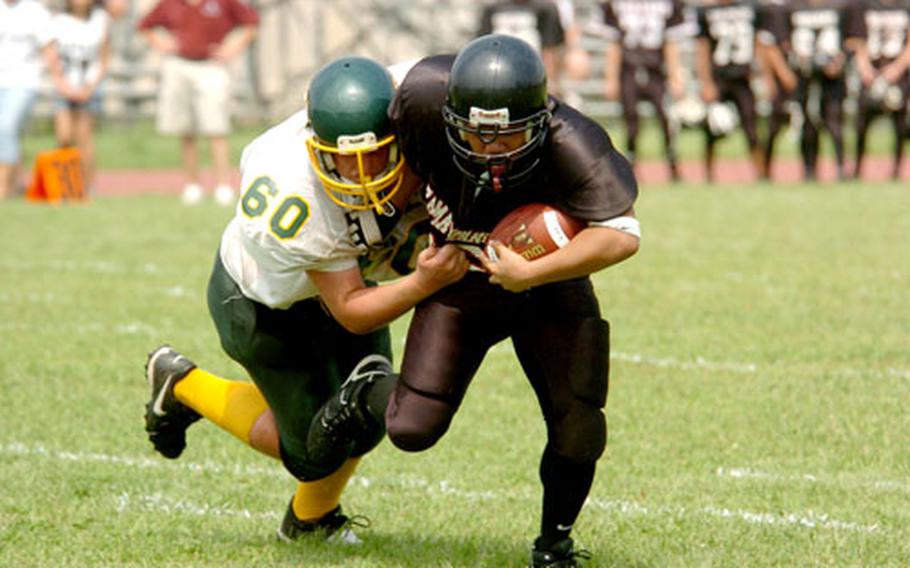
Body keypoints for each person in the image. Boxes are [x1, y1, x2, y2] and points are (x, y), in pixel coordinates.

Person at [314, 34, 640, 566]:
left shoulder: (574, 140)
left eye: (506, 136)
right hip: (457, 279)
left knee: (579, 422)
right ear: (449, 112)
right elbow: (383, 141)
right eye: (475, 132)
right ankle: (367, 391)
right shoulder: (421, 99)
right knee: (411, 428)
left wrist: (537, 267)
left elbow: (622, 233)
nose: (489, 148)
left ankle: (554, 545)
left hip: (545, 284)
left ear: (540, 119)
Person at [142, 56, 468, 542]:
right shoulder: (294, 188)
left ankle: (310, 521)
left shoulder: (415, 105)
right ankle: (182, 383)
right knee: (312, 452)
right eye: (343, 158)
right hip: (263, 306)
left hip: (343, 284)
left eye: (376, 154)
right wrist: (425, 283)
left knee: (371, 412)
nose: (359, 173)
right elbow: (351, 309)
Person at [137, 0, 259, 205]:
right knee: (186, 130)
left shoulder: (223, 2)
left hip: (211, 65)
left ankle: (223, 185)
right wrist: (161, 44)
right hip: (179, 64)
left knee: (217, 128)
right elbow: (145, 26)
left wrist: (232, 49)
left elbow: (251, 23)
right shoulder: (171, 3)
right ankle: (192, 184)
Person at [597, 0, 696, 183]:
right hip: (628, 70)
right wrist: (610, 78)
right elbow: (614, 44)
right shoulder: (615, 5)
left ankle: (673, 163)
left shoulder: (669, 4)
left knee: (666, 119)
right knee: (631, 120)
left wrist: (676, 76)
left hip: (657, 71)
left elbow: (670, 42)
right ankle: (631, 167)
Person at [769, 0, 851, 181]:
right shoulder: (791, 8)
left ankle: (841, 168)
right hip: (802, 77)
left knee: (834, 122)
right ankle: (808, 170)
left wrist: (839, 62)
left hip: (832, 80)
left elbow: (852, 40)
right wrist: (791, 66)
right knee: (806, 125)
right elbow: (781, 43)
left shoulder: (841, 6)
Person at [694, 0, 764, 182]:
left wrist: (760, 74)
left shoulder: (750, 8)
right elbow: (702, 47)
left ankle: (761, 173)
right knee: (712, 128)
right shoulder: (707, 11)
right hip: (719, 78)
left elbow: (758, 42)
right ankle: (708, 174)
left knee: (752, 128)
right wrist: (706, 82)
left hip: (743, 77)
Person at [51, 0, 112, 195]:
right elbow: (52, 57)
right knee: (64, 136)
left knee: (84, 139)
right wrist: (62, 84)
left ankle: (88, 187)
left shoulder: (101, 20)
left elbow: (104, 60)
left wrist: (90, 87)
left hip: (89, 88)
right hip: (65, 87)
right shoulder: (58, 21)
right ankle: (64, 186)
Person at [0, 0, 60, 199]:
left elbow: (49, 48)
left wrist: (58, 80)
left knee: (5, 127)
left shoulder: (34, 11)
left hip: (23, 81)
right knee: (9, 134)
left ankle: (3, 187)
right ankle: (17, 183)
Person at [845, 0, 910, 180]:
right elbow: (857, 40)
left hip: (897, 70)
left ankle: (897, 170)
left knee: (900, 123)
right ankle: (857, 169)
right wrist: (865, 68)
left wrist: (897, 68)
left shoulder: (905, 6)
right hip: (870, 70)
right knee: (862, 122)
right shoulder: (863, 6)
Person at [477, 0, 566, 96]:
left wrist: (549, 81)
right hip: (497, 72)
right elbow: (484, 48)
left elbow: (549, 49)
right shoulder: (492, 9)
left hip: (532, 72)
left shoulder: (545, 9)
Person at [755, 0, 799, 181]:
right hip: (783, 78)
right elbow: (765, 43)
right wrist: (779, 74)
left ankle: (810, 171)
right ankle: (765, 170)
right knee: (774, 125)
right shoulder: (769, 9)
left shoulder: (797, 6)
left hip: (804, 73)